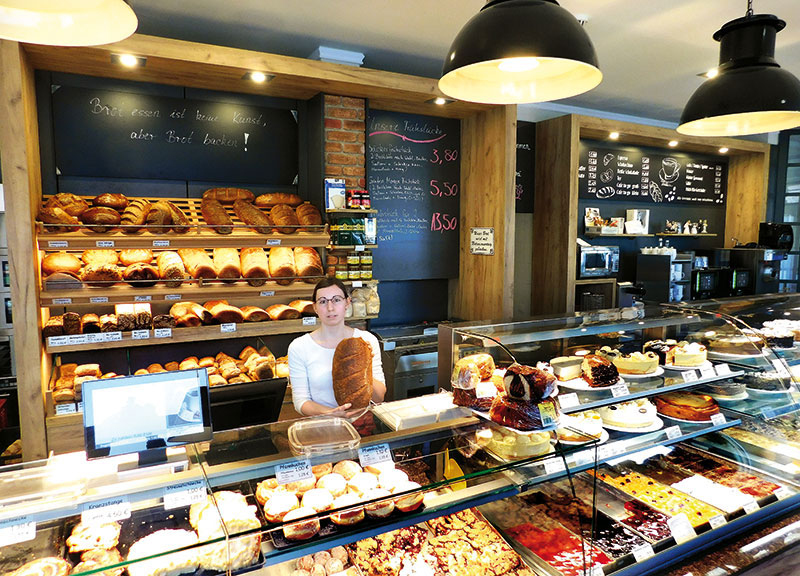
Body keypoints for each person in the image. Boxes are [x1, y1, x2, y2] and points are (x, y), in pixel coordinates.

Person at [288, 277, 386, 416]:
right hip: (323, 427)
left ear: (347, 303)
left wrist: (365, 364)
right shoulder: (299, 347)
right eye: (323, 302)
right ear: (315, 307)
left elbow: (379, 397)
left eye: (336, 300)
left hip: (361, 425)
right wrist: (331, 413)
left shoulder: (366, 340)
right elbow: (301, 402)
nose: (330, 307)